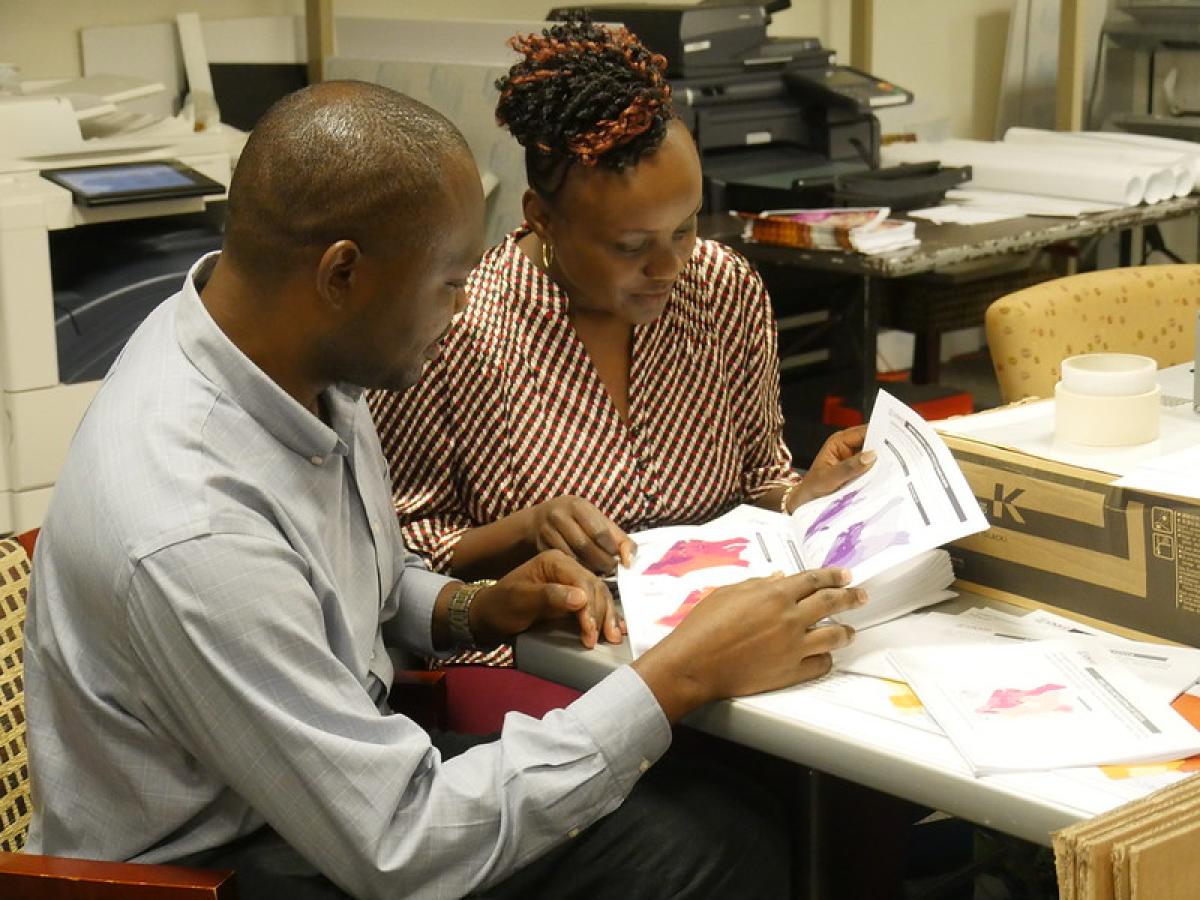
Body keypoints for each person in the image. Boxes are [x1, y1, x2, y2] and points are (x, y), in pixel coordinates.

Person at [22, 81, 865, 900]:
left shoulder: (283, 360)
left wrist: (479, 608)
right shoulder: (193, 528)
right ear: (342, 274)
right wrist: (678, 676)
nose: (463, 309)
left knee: (725, 809)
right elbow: (403, 846)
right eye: (451, 282)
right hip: (221, 866)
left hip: (312, 800)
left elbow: (358, 586)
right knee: (706, 855)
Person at [369, 21, 872, 675]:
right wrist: (525, 529)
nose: (668, 267)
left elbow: (757, 481)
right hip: (541, 666)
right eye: (631, 247)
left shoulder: (721, 290)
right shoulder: (456, 329)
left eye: (685, 230)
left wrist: (803, 497)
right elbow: (402, 555)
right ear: (543, 219)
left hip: (721, 645)